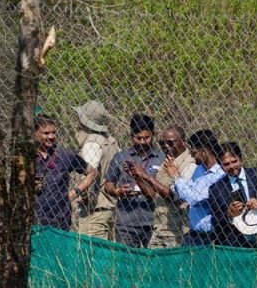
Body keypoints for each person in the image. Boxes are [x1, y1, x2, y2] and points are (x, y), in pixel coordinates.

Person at [128, 126, 197, 248]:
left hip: (177, 230)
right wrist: (137, 176)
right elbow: (153, 194)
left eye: (170, 143)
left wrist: (147, 177)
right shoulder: (167, 161)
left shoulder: (190, 164)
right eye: (162, 143)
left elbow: (175, 196)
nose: (165, 146)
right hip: (159, 227)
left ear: (183, 141)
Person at [103, 114, 165, 247]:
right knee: (126, 258)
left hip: (154, 222)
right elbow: (108, 184)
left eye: (147, 138)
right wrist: (118, 191)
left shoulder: (162, 158)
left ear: (153, 135)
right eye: (138, 138)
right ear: (132, 136)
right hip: (126, 223)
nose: (142, 142)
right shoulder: (121, 157)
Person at [210, 142, 257, 248]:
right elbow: (216, 220)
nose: (232, 166)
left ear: (241, 159)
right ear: (220, 165)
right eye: (226, 164)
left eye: (234, 161)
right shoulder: (216, 189)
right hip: (238, 244)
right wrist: (230, 214)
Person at [33, 115, 97, 231]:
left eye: (53, 132)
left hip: (60, 219)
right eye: (46, 133)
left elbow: (92, 172)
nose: (51, 136)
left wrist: (75, 192)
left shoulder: (64, 155)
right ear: (35, 134)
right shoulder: (26, 156)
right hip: (33, 218)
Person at [73, 100, 120, 239]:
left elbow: (89, 174)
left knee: (89, 250)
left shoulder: (92, 143)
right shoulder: (111, 141)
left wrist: (83, 196)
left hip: (94, 211)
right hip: (109, 208)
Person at [171, 129, 225, 246]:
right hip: (194, 233)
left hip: (211, 236)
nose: (191, 155)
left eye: (194, 152)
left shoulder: (220, 174)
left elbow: (194, 198)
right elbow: (185, 191)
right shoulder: (199, 170)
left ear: (204, 151)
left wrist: (176, 176)